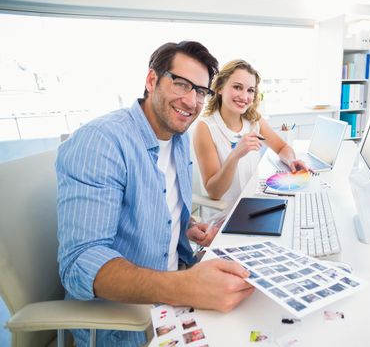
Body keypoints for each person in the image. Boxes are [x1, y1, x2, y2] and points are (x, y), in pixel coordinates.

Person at [56, 41, 254, 346]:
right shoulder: (101, 142)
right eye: (181, 84)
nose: (192, 101)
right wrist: (185, 286)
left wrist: (187, 227)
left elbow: (155, 208)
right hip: (128, 322)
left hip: (177, 289)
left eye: (201, 91)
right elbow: (80, 262)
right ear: (152, 81)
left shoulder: (177, 139)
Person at [193, 59, 308, 202]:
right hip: (224, 216)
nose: (244, 97)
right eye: (237, 87)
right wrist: (235, 155)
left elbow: (282, 147)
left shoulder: (254, 121)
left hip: (253, 203)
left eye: (250, 90)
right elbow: (214, 192)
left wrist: (291, 160)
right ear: (220, 88)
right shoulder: (205, 127)